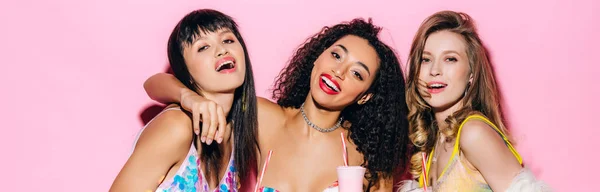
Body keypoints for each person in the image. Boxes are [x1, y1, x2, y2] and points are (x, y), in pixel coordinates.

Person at [144, 18, 410, 191]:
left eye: (357, 73)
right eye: (336, 55)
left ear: (365, 95)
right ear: (317, 59)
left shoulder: (365, 157)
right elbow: (153, 84)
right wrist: (189, 98)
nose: (339, 71)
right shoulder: (262, 117)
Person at [399, 10, 550, 192]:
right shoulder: (431, 147)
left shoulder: (473, 133)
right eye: (425, 59)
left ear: (471, 74)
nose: (434, 70)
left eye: (450, 59)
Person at [110, 9, 259, 192]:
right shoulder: (176, 126)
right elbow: (151, 84)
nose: (222, 50)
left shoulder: (236, 138)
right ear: (186, 73)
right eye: (203, 47)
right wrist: (187, 97)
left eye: (228, 39)